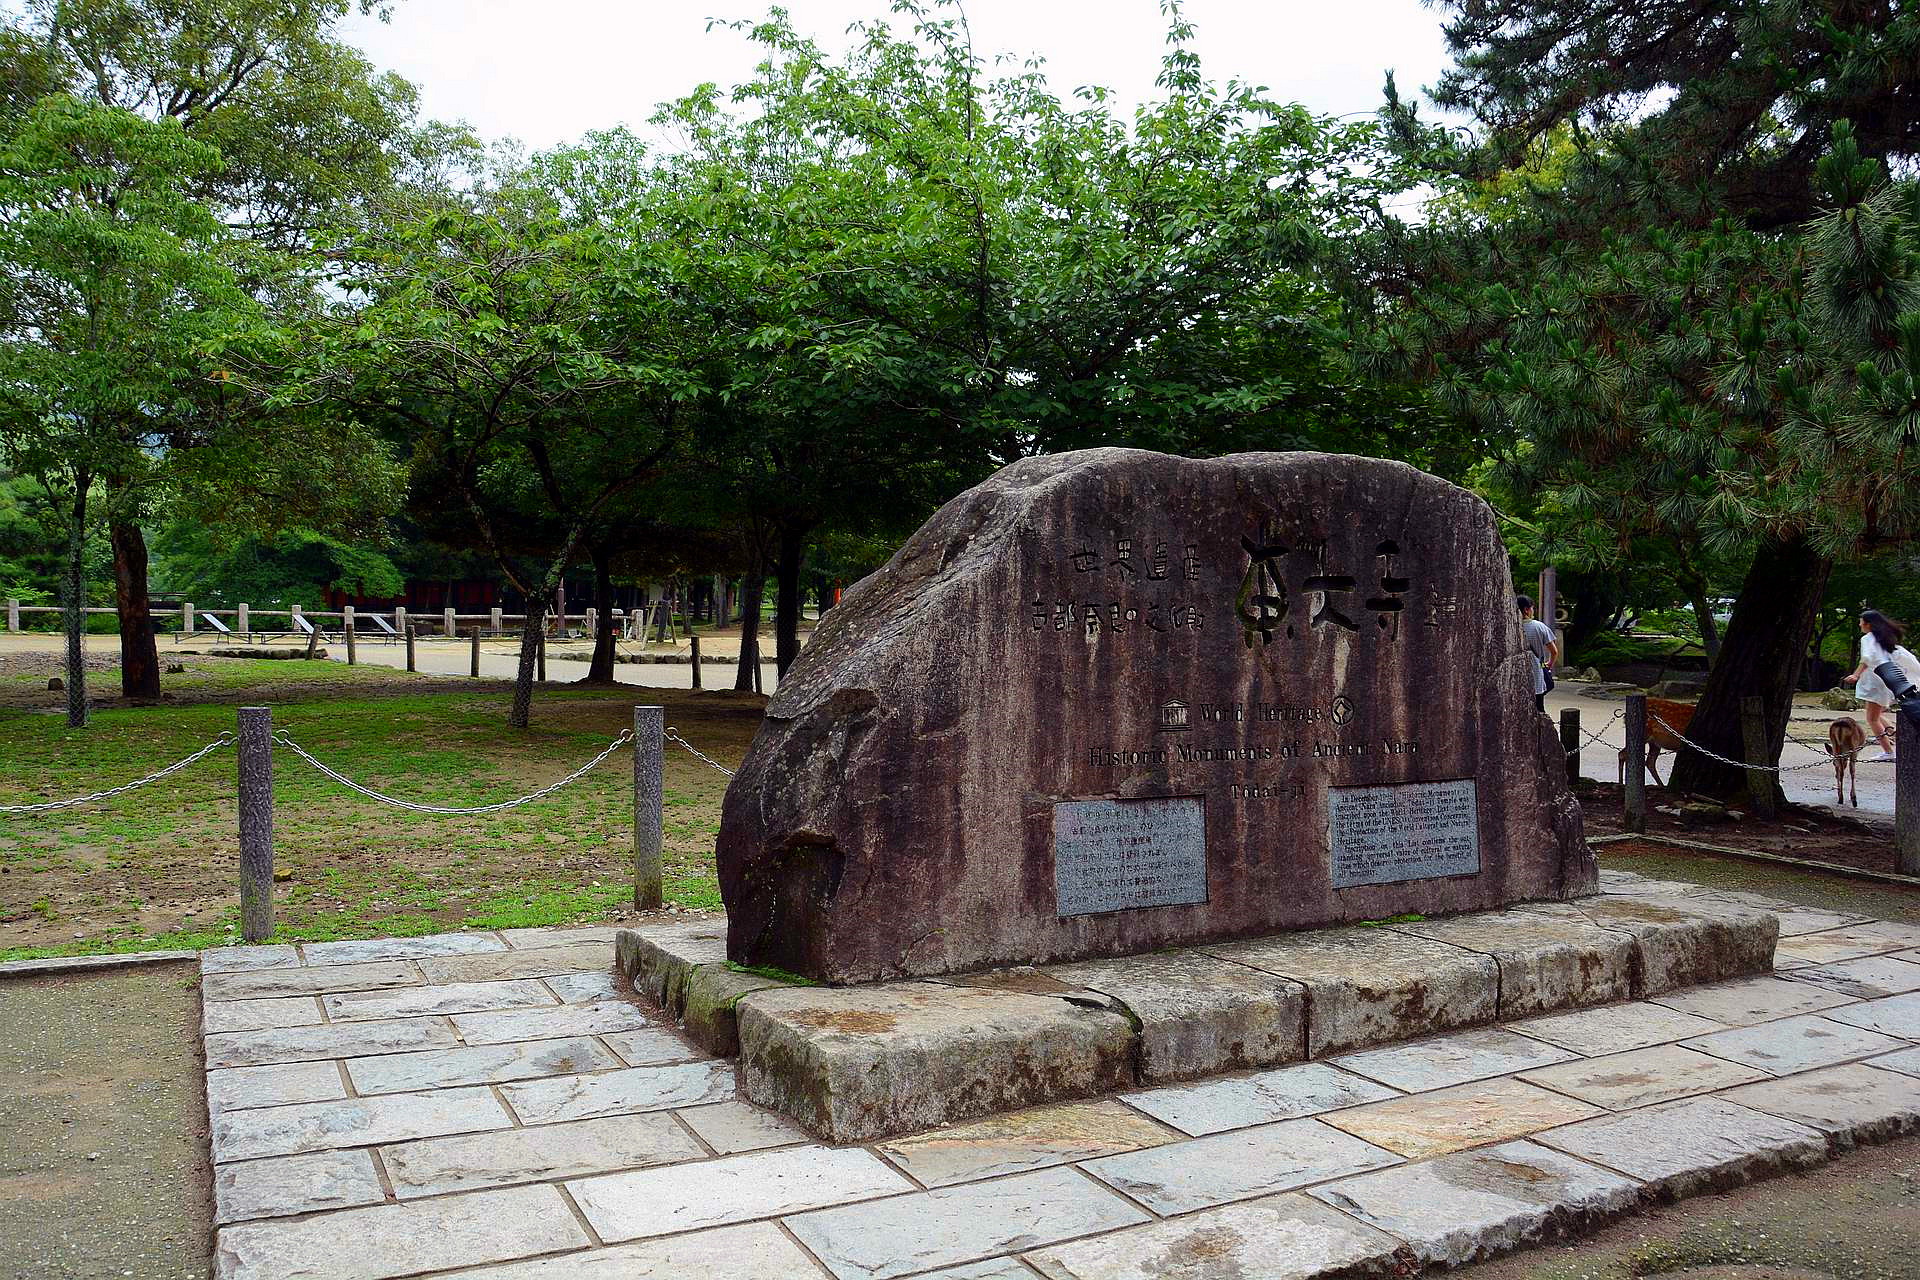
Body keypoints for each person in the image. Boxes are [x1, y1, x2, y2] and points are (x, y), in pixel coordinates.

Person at [1842, 609, 1920, 761]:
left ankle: (1888, 751)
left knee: (1872, 719)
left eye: (1861, 622)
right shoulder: (1884, 639)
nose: (1860, 625)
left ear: (1868, 624)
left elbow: (1867, 658)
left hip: (1875, 681)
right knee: (1876, 715)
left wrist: (1856, 675)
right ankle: (1898, 737)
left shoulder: (1868, 638)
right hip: (1885, 681)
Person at [1518, 594, 1559, 714]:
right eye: (1532, 608)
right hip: (1537, 671)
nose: (1533, 610)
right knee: (1539, 709)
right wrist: (1549, 664)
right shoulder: (1539, 626)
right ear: (1526, 609)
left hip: (1517, 673)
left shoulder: (1511, 627)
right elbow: (1554, 652)